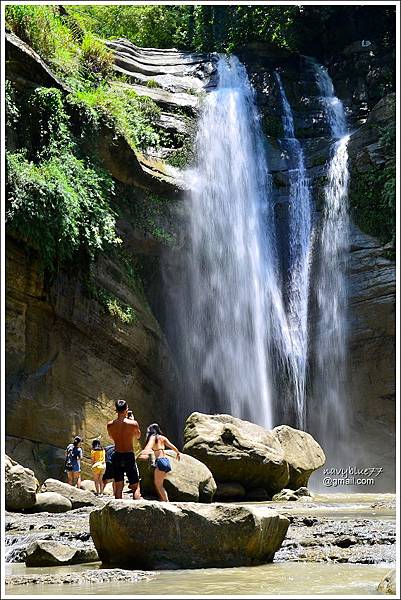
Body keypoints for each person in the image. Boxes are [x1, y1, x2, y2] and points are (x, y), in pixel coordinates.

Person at [107, 399, 142, 500]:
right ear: (126, 410)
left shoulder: (110, 425)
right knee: (135, 486)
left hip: (117, 454)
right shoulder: (133, 424)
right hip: (128, 455)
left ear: (116, 410)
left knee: (119, 486)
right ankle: (137, 510)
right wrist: (132, 420)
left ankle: (118, 512)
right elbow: (138, 436)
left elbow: (112, 437)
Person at [139, 423, 180, 502]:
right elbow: (172, 446)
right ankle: (162, 499)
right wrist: (178, 453)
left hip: (160, 461)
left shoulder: (153, 437)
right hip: (166, 461)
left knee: (159, 485)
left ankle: (166, 501)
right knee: (159, 483)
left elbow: (149, 446)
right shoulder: (162, 438)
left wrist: (144, 453)